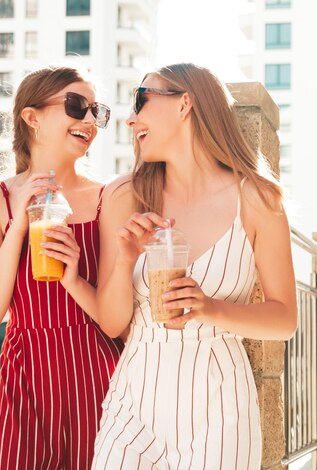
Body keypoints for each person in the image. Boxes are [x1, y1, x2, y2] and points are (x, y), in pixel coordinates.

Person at [91, 63, 298, 469]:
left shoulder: (256, 199)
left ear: (185, 103)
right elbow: (113, 324)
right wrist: (126, 260)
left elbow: (284, 320)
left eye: (141, 99)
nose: (132, 119)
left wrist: (209, 308)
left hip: (219, 406)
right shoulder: (123, 195)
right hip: (132, 400)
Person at [0, 66, 124, 469]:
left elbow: (118, 321)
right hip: (26, 385)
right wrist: (19, 225)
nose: (89, 120)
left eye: (96, 112)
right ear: (31, 117)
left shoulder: (110, 198)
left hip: (102, 381)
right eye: (75, 106)